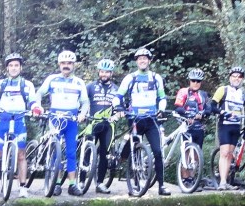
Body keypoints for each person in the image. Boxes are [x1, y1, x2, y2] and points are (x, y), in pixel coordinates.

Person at [33, 50, 89, 196]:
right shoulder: (52, 79)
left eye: (69, 63)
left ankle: (72, 184)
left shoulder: (79, 82)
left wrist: (82, 114)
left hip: (71, 120)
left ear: (73, 65)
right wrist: (38, 106)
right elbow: (39, 93)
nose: (66, 66)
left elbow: (85, 102)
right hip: (55, 118)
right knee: (55, 150)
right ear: (59, 64)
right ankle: (56, 183)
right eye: (63, 63)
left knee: (71, 152)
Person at [0, 53, 36, 198]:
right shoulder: (1, 84)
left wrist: (36, 108)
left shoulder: (27, 85)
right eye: (11, 65)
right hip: (2, 121)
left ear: (21, 67)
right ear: (7, 68)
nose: (13, 68)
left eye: (16, 65)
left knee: (21, 155)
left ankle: (23, 186)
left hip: (19, 122)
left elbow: (33, 101)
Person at [116, 48, 169, 196]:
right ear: (136, 62)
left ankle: (161, 186)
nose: (142, 61)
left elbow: (162, 97)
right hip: (135, 118)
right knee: (135, 150)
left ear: (149, 61)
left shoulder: (156, 78)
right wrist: (118, 107)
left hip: (151, 119)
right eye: (139, 59)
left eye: (145, 58)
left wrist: (161, 109)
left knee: (158, 152)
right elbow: (118, 96)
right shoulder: (130, 78)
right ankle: (135, 184)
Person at [210, 66, 245, 190]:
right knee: (224, 153)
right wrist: (222, 112)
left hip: (236, 126)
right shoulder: (223, 89)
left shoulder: (243, 93)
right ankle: (222, 182)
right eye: (234, 76)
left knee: (230, 154)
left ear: (242, 79)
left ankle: (227, 182)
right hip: (224, 125)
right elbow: (212, 106)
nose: (236, 79)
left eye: (239, 77)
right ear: (230, 77)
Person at [84, 58, 122, 194]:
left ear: (111, 73)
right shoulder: (90, 87)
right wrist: (82, 113)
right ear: (98, 72)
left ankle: (100, 183)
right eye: (102, 72)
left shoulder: (117, 90)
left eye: (107, 72)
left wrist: (117, 115)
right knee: (87, 151)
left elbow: (120, 108)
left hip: (108, 125)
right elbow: (82, 102)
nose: (104, 74)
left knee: (105, 154)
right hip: (92, 122)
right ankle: (81, 181)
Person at [173, 68, 210, 188]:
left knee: (196, 155)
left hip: (199, 127)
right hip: (186, 127)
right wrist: (187, 114)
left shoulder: (203, 95)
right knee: (187, 152)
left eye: (198, 81)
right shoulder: (183, 92)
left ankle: (193, 178)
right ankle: (185, 179)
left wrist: (203, 114)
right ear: (189, 81)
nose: (196, 83)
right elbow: (178, 107)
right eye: (193, 80)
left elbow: (209, 109)